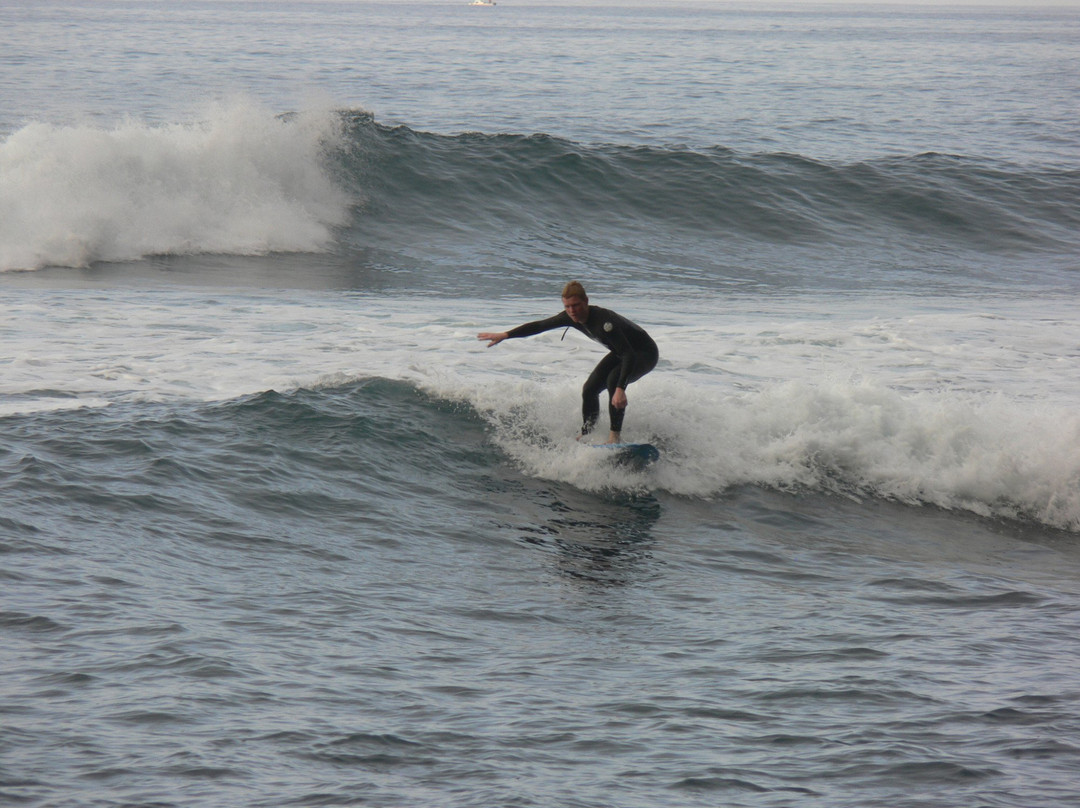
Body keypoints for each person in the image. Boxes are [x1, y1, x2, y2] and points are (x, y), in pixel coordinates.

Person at [477, 281, 658, 444]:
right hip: (622, 352)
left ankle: (614, 437)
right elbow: (539, 326)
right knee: (589, 389)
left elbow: (628, 354)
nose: (572, 311)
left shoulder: (604, 322)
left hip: (644, 353)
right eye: (568, 306)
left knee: (613, 380)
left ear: (586, 301)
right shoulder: (569, 317)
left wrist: (620, 389)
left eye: (576, 305)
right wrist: (506, 335)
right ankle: (587, 433)